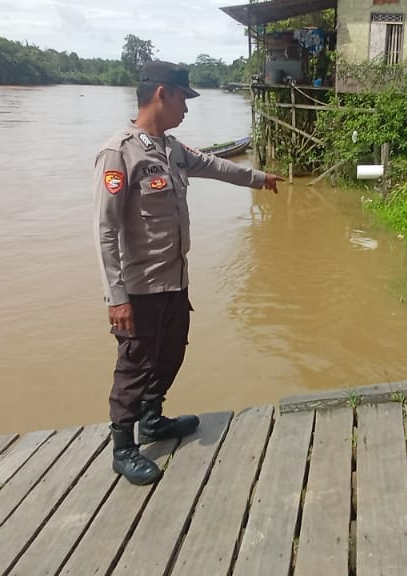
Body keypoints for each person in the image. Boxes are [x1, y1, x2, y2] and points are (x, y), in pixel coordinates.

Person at [93, 61, 283, 485]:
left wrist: (259, 178)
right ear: (162, 93)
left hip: (175, 281)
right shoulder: (119, 153)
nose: (186, 107)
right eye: (183, 98)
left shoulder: (171, 149)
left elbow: (215, 166)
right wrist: (116, 296)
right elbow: (105, 230)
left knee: (170, 354)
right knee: (135, 365)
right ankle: (123, 447)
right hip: (140, 288)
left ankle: (152, 420)